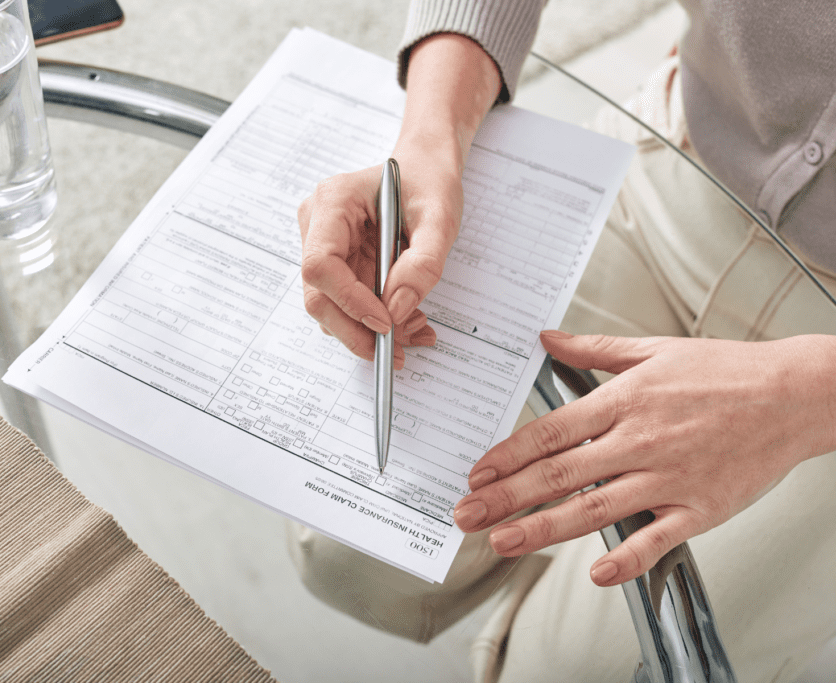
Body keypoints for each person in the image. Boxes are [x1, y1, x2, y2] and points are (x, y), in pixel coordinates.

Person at [291, 1, 836, 680]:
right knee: (351, 542)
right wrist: (432, 132)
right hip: (685, 160)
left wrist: (801, 392)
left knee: (571, 670)